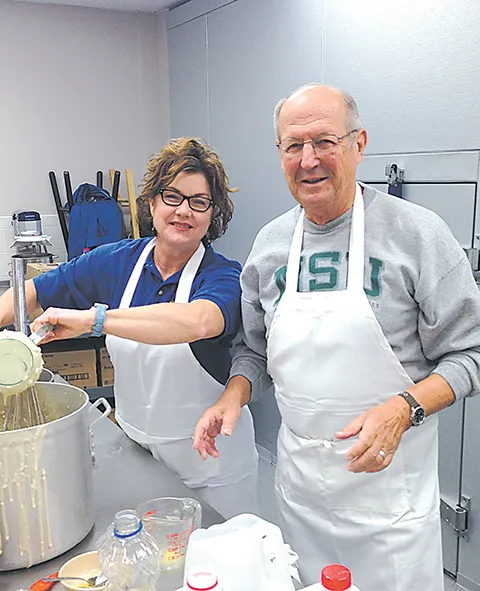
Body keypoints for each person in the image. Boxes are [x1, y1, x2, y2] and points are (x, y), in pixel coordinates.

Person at [193, 84, 480, 590]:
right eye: (293, 145)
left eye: (325, 141)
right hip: (301, 494)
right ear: (279, 153)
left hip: (390, 505)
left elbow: (471, 351)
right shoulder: (270, 246)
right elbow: (255, 350)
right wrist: (233, 395)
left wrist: (403, 409)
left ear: (359, 143)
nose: (309, 160)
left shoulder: (417, 235)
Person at [0, 137, 258, 519]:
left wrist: (95, 319)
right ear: (151, 202)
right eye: (172, 196)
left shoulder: (222, 275)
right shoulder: (116, 262)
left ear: (211, 215)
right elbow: (33, 291)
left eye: (199, 202)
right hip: (140, 451)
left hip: (210, 464)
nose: (184, 211)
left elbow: (197, 320)